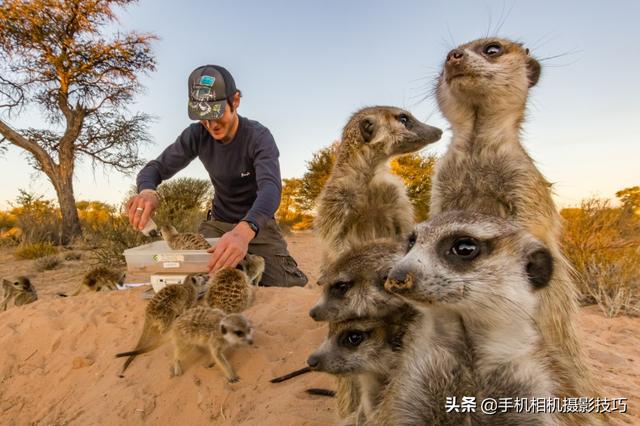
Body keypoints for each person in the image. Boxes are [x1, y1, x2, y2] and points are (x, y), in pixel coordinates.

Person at [127, 65, 308, 287]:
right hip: (218, 224)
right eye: (203, 116)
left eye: (217, 113)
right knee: (200, 280)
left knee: (286, 285)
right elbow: (154, 168)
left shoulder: (258, 137)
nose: (211, 125)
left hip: (257, 224)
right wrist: (147, 191)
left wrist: (244, 232)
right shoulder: (197, 135)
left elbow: (270, 189)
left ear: (236, 101)